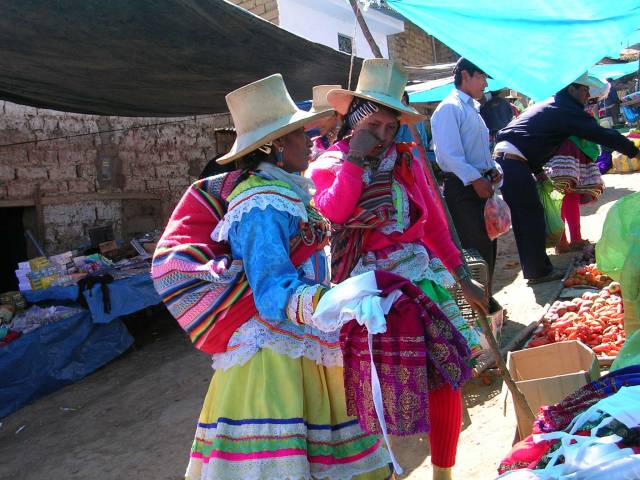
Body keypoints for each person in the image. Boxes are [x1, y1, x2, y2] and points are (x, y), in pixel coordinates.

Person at [153, 74, 392, 479]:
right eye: (299, 133)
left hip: (304, 343)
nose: (309, 140)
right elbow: (270, 292)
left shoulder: (284, 192)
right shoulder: (260, 202)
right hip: (273, 358)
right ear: (276, 144)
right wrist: (333, 301)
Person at [308, 59, 489, 480]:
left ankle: (443, 472)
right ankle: (387, 469)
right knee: (382, 386)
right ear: (353, 121)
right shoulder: (328, 166)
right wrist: (356, 159)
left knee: (445, 376)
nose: (383, 136)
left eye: (391, 128)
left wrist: (461, 276)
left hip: (422, 280)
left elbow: (434, 225)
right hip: (369, 292)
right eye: (373, 125)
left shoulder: (405, 161)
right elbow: (335, 212)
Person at [495, 72, 640, 284]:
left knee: (529, 216)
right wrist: (634, 152)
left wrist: (538, 171)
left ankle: (537, 269)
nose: (587, 95)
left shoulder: (555, 105)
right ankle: (538, 272)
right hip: (512, 161)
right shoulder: (564, 108)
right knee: (529, 218)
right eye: (584, 90)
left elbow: (526, 137)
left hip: (512, 159)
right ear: (572, 89)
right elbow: (601, 134)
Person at [430, 57, 503, 282]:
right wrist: (475, 179)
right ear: (465, 75)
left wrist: (492, 169)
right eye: (481, 77)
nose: (485, 84)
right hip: (463, 189)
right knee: (474, 249)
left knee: (488, 243)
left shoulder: (472, 109)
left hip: (480, 185)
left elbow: (478, 152)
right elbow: (448, 155)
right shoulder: (450, 108)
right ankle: (479, 300)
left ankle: (487, 297)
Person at [305, 84, 342, 160]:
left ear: (335, 116)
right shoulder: (316, 141)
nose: (316, 123)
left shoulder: (352, 137)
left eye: (320, 116)